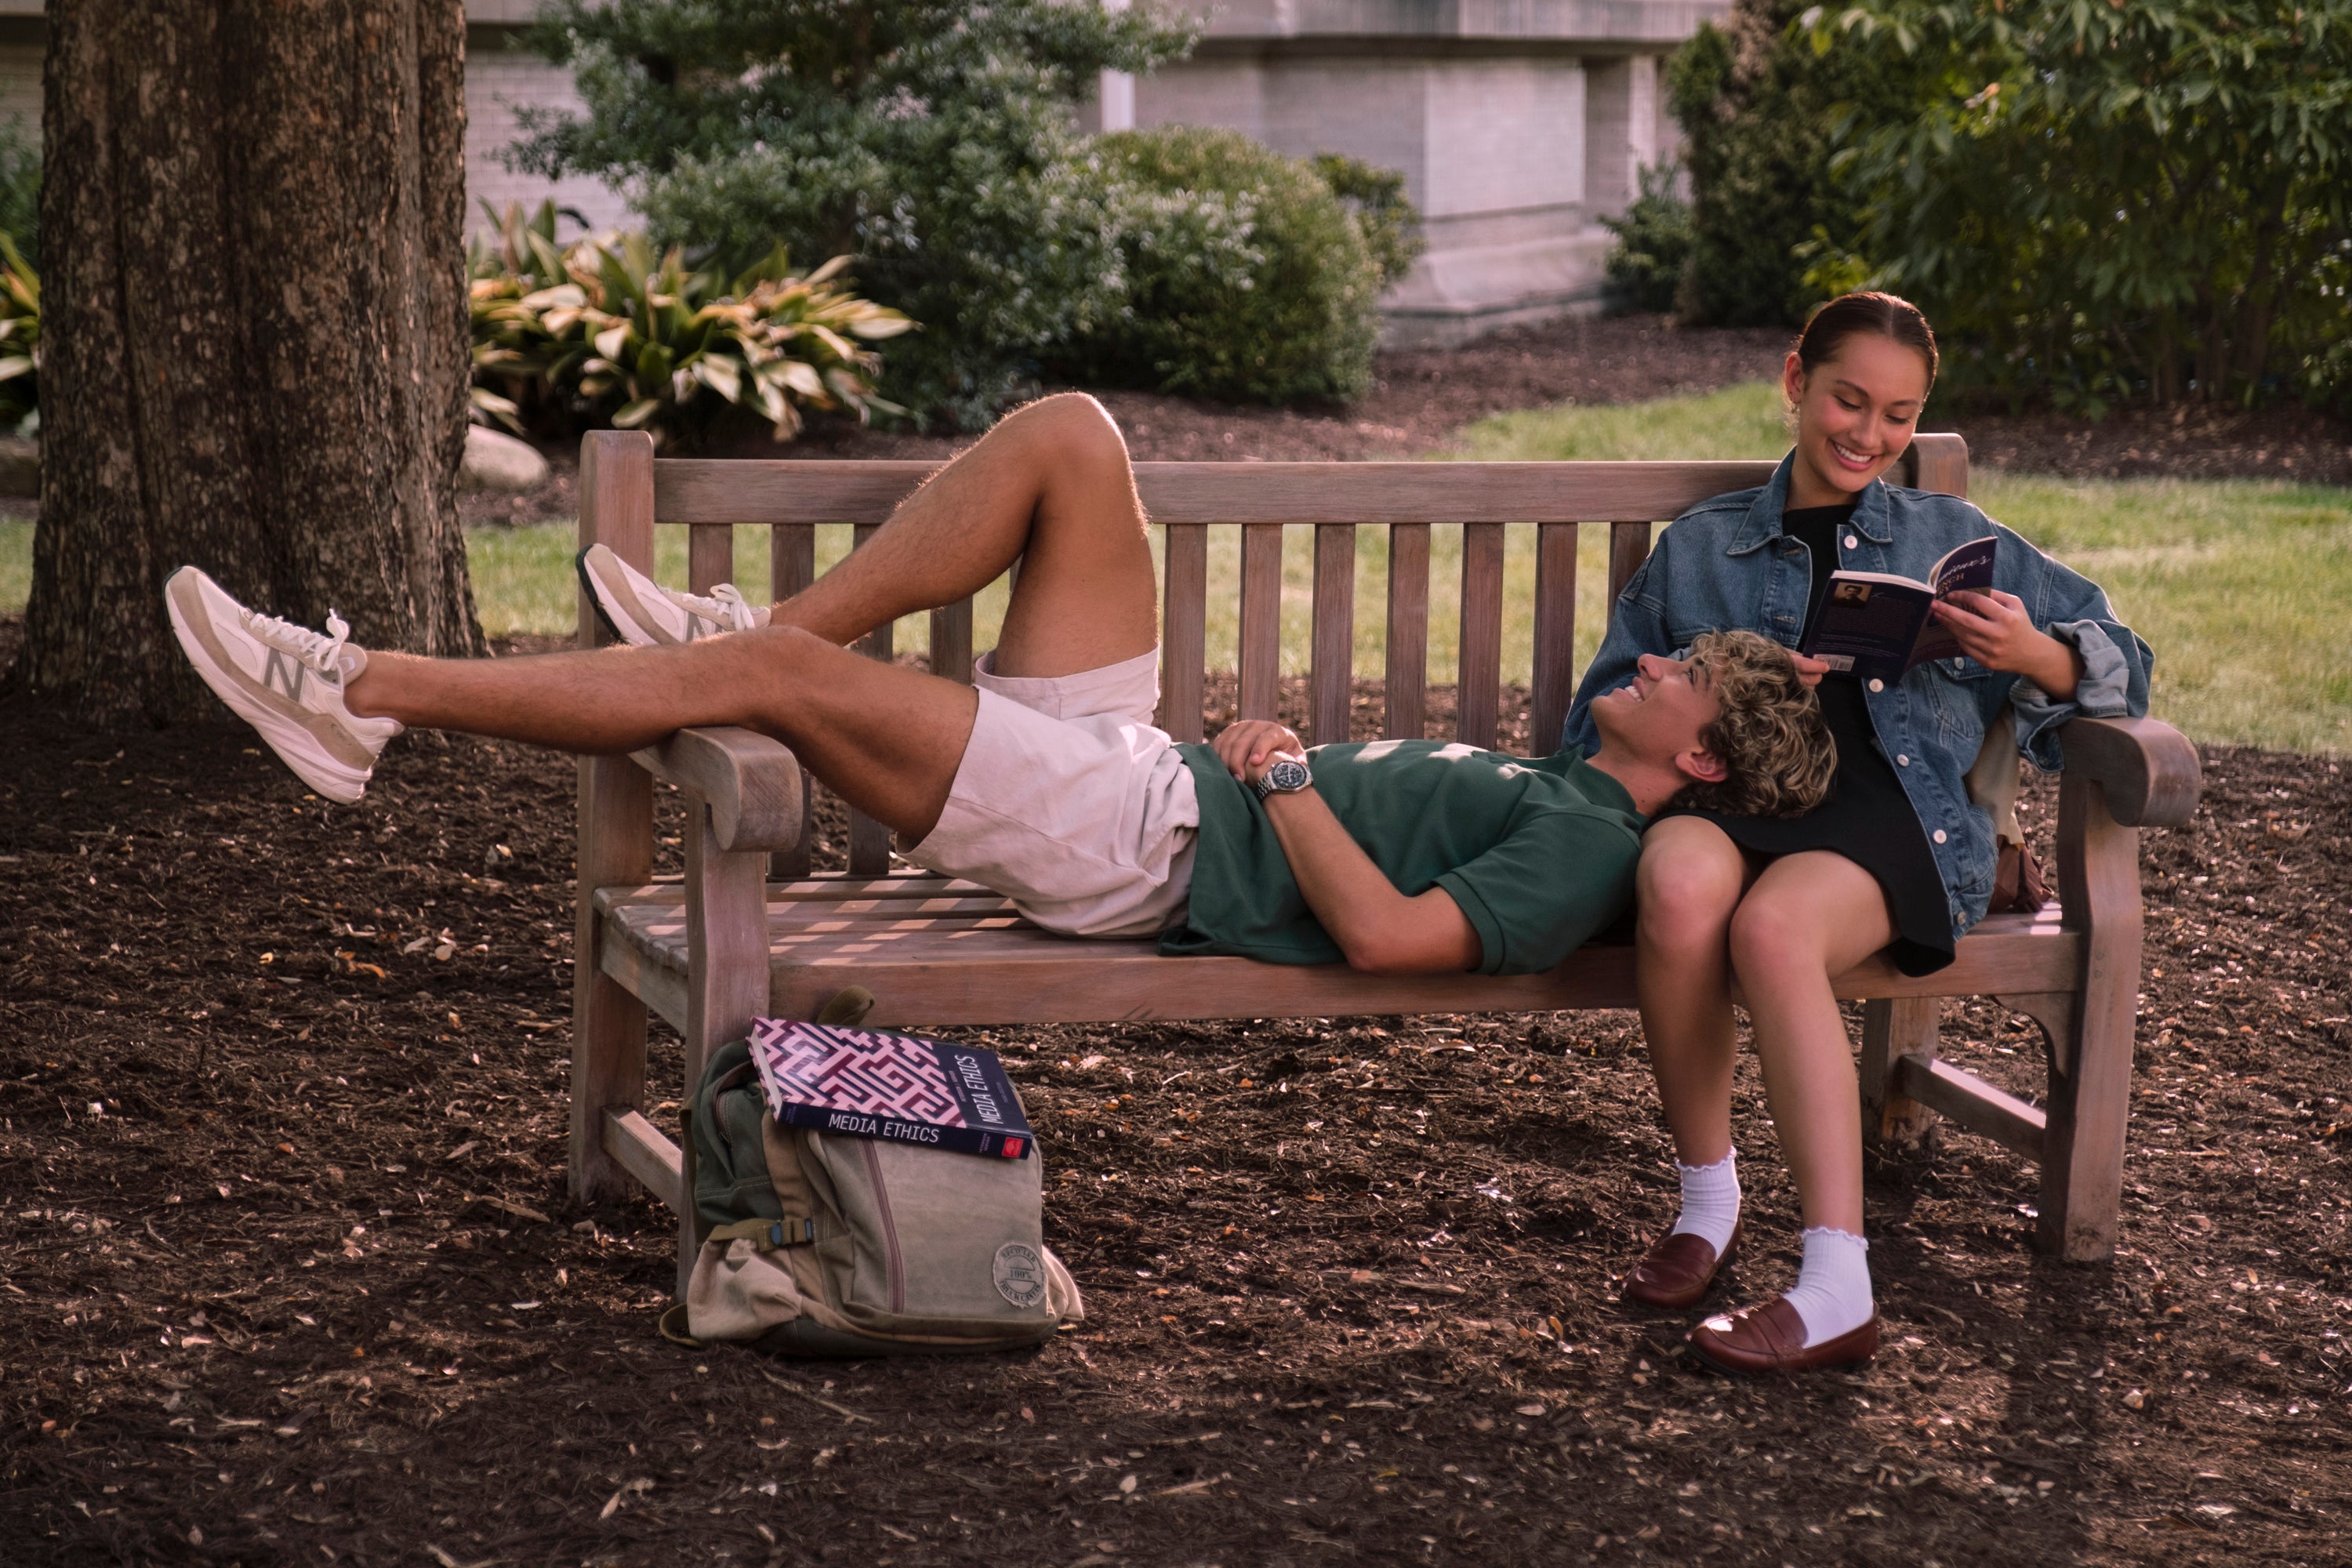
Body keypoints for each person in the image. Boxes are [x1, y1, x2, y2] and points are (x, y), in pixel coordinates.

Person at [165, 393, 1832, 984]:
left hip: (1144, 846)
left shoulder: (1590, 851)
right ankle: (752, 639)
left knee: (759, 681)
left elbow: (1396, 943)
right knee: (1072, 438)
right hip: (1141, 770)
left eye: (1688, 674)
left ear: (1697, 757)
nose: (1662, 660)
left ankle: (359, 694)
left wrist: (1288, 783)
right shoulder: (1570, 792)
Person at [1561, 293, 2153, 1374]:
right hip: (1729, 804)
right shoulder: (1703, 549)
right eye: (1846, 399)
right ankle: (1707, 1202)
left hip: (1894, 822)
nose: (1867, 434)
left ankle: (1838, 1285)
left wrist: (2039, 660)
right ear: (1796, 383)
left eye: (1898, 413)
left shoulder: (1953, 538)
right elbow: (1602, 705)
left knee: (1775, 933)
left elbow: (2126, 663)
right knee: (1682, 884)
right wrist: (1728, 693)